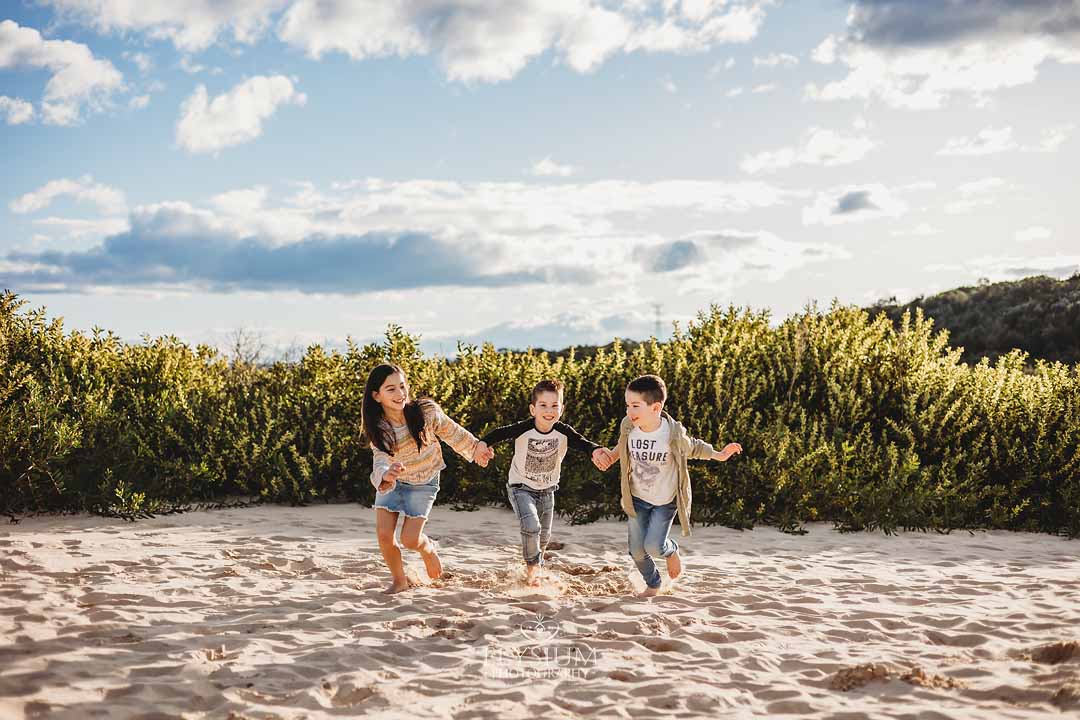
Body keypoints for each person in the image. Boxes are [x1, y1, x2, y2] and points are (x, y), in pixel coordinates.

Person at [602, 374, 742, 597]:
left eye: (635, 406)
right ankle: (654, 583)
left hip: (664, 502)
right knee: (637, 551)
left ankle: (671, 550)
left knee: (654, 547)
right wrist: (611, 456)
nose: (629, 411)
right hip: (637, 499)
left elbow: (693, 447)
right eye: (627, 405)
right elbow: (622, 444)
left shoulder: (672, 433)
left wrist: (719, 454)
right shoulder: (629, 426)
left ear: (656, 408)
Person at [362, 363, 491, 594]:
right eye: (391, 389)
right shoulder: (379, 427)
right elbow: (380, 458)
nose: (400, 393)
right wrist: (386, 474)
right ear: (376, 396)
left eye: (402, 386)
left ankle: (428, 549)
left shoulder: (426, 412)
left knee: (410, 540)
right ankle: (400, 581)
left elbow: (453, 432)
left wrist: (476, 449)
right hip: (393, 481)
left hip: (424, 481)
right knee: (384, 535)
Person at [481, 379, 609, 586]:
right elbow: (500, 433)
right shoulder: (524, 428)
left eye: (554, 405)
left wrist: (595, 451)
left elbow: (582, 443)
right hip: (520, 488)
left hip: (547, 490)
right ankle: (533, 571)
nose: (549, 411)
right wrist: (483, 444)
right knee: (532, 526)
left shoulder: (563, 431)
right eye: (543, 405)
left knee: (544, 536)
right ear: (533, 409)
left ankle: (535, 565)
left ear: (561, 409)